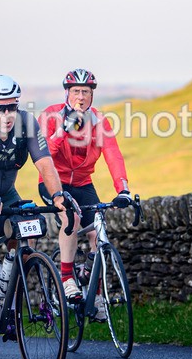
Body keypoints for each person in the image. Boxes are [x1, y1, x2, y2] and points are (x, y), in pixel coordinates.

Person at [0, 74, 81, 323]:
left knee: (27, 230)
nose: (8, 114)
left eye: (12, 106)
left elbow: (45, 163)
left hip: (6, 191)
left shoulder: (26, 122)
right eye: (0, 109)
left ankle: (5, 290)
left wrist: (57, 196)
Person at [37, 68, 131, 321]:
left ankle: (96, 295)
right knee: (72, 217)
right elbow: (43, 154)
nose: (81, 96)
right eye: (76, 91)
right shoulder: (50, 115)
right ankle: (67, 277)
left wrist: (123, 188)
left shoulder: (99, 121)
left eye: (86, 92)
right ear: (67, 93)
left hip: (83, 183)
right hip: (53, 181)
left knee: (97, 231)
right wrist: (63, 131)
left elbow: (113, 154)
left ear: (92, 95)